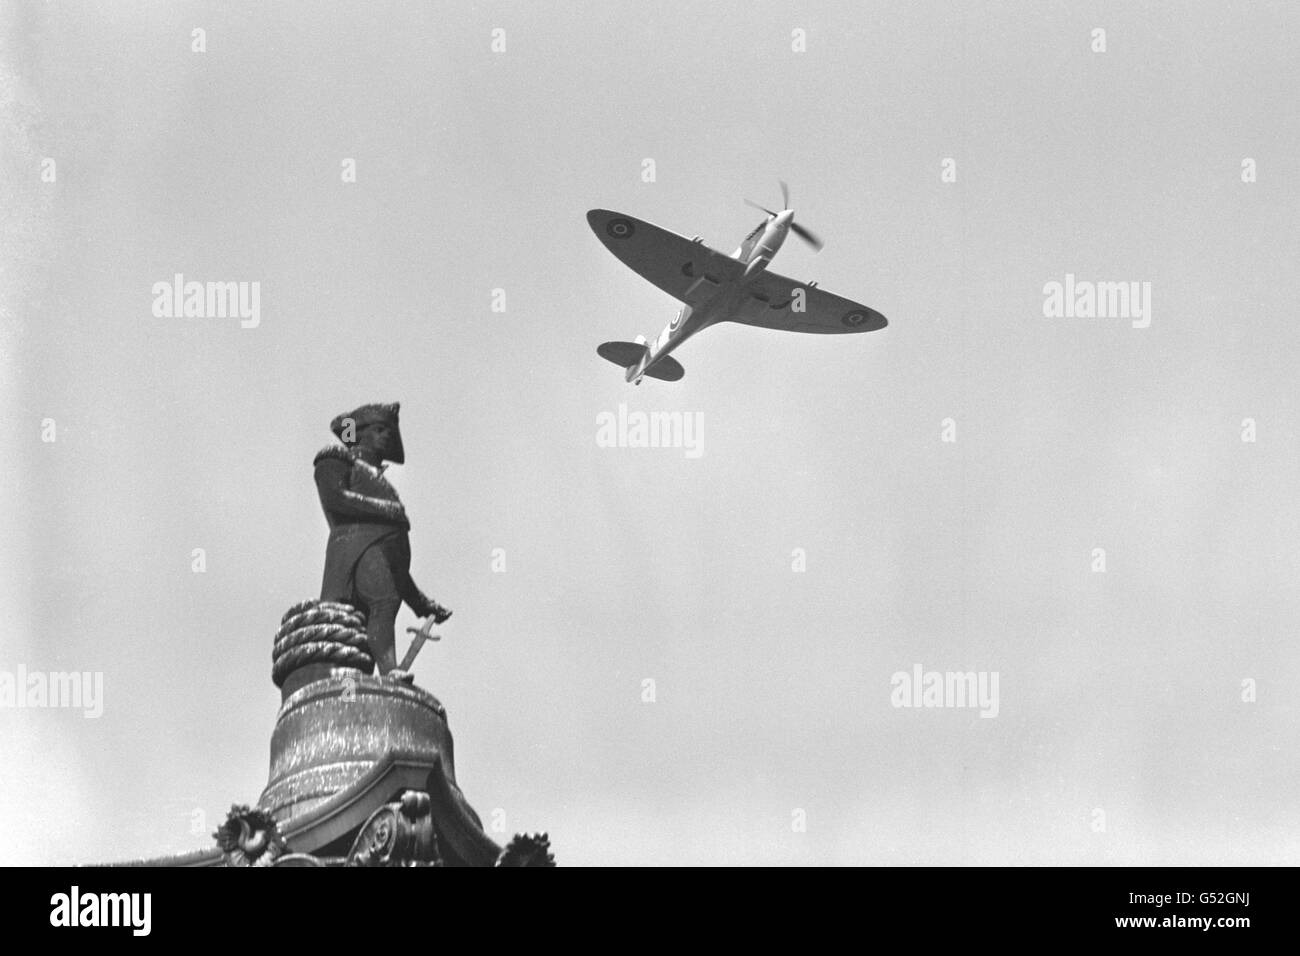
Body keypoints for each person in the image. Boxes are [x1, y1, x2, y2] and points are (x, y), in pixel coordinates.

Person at [313, 402, 451, 682]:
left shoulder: (382, 484)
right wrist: (389, 512)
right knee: (384, 600)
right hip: (356, 553)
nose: (386, 436)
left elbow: (397, 571)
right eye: (379, 429)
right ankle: (389, 670)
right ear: (359, 433)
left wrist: (421, 603)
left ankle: (373, 677)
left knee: (369, 625)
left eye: (388, 431)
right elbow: (335, 500)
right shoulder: (336, 460)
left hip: (379, 557)